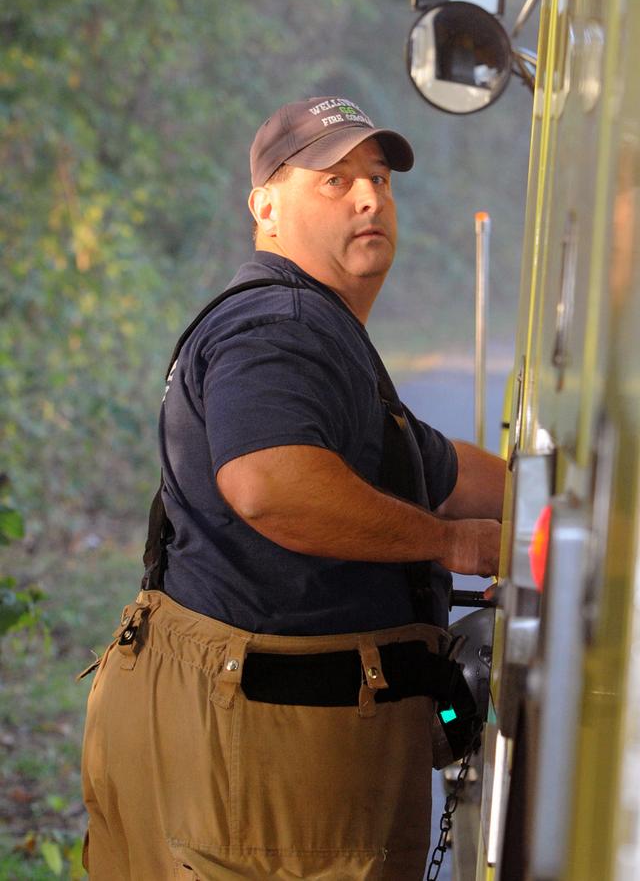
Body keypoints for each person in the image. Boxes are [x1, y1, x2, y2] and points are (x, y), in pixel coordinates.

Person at [81, 95, 505, 880]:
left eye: (378, 178)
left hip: (260, 752)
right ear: (266, 206)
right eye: (333, 180)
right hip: (262, 772)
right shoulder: (280, 325)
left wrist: (560, 497)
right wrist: (455, 545)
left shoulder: (319, 335)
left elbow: (427, 468)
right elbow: (271, 484)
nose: (370, 195)